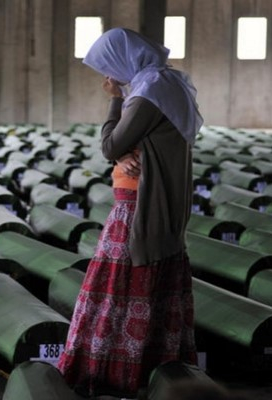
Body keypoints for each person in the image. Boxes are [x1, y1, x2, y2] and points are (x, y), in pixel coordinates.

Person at [57, 28, 203, 398]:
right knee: (144, 288)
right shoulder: (164, 84)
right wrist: (123, 151)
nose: (108, 78)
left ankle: (115, 374)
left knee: (118, 288)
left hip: (138, 209)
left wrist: (116, 100)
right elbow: (127, 145)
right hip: (145, 202)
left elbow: (109, 144)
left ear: (124, 61)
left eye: (109, 68)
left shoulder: (146, 93)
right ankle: (153, 371)